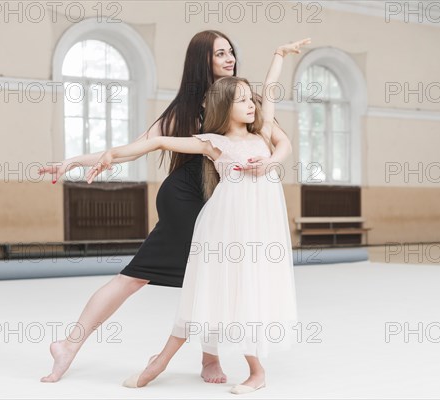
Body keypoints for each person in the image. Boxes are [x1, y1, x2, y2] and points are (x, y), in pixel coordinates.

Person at [37, 30, 292, 384]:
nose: (229, 58)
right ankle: (69, 344)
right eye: (220, 53)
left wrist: (271, 163)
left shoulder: (245, 100)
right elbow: (142, 144)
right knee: (142, 276)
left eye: (230, 51)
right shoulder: (187, 108)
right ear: (202, 60)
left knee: (216, 275)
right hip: (186, 199)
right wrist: (75, 161)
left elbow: (277, 140)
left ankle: (209, 359)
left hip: (221, 201)